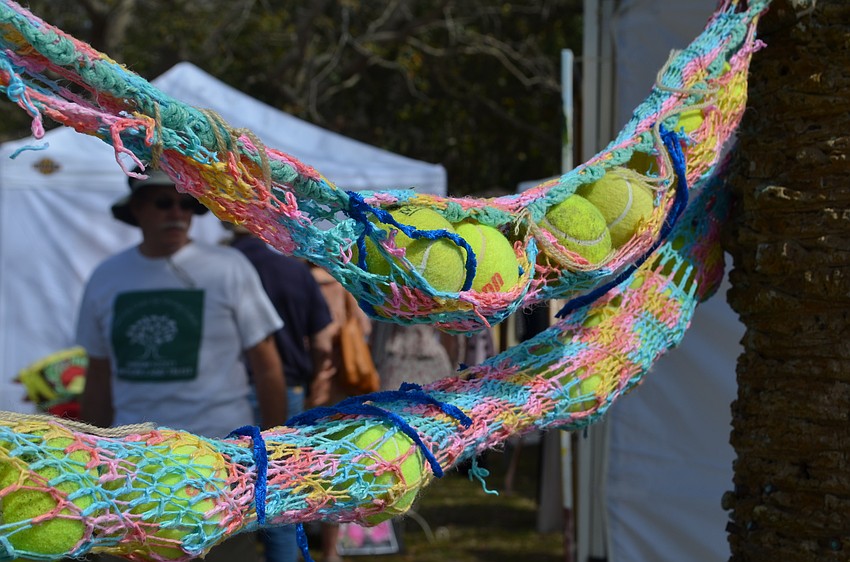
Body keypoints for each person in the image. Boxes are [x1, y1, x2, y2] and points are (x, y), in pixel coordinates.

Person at [76, 166, 287, 562]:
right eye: (163, 203)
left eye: (187, 204)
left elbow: (268, 367)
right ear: (137, 209)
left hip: (221, 461)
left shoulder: (229, 268)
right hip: (134, 465)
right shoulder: (107, 278)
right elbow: (99, 378)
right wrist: (94, 460)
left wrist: (271, 453)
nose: (177, 213)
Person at [228, 225, 335, 562]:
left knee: (224, 492)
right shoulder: (294, 271)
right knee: (280, 494)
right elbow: (322, 341)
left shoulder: (217, 267)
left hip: (230, 395)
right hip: (287, 389)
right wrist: (319, 379)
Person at [307, 265, 373, 562]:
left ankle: (300, 543)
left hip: (308, 384)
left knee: (297, 469)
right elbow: (364, 328)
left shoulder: (303, 280)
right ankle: (331, 551)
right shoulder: (344, 282)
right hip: (341, 385)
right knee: (334, 468)